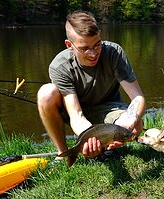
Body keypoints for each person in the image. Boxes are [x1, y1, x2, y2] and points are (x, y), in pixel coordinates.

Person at [37, 10, 146, 159]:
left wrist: (131, 120)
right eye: (84, 48)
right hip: (77, 113)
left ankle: (108, 147)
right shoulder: (59, 66)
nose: (93, 53)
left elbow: (137, 97)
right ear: (69, 45)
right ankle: (63, 153)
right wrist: (89, 138)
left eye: (97, 45)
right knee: (46, 94)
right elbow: (76, 114)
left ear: (100, 35)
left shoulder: (114, 52)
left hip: (109, 109)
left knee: (138, 124)